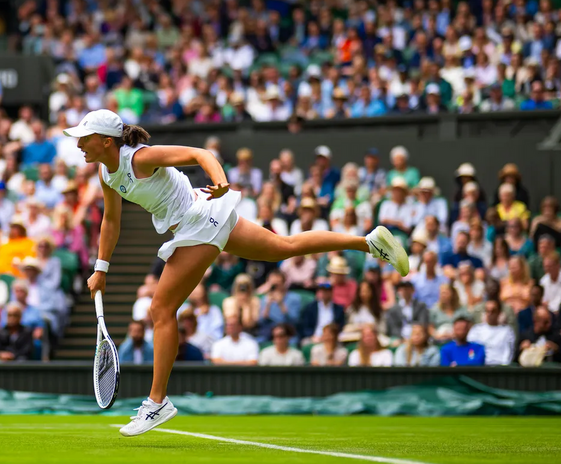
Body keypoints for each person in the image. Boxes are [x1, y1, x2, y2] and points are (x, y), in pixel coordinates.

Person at [66, 109, 408, 436]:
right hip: (204, 218)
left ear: (107, 141)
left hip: (199, 221)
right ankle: (367, 243)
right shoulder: (104, 172)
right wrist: (101, 268)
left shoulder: (140, 158)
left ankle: (157, 403)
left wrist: (221, 182)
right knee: (282, 247)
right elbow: (111, 221)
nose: (79, 144)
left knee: (160, 310)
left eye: (85, 138)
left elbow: (200, 154)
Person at [467, 299, 515, 366]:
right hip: (479, 367)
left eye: (493, 311)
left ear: (499, 313)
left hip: (499, 368)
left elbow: (508, 353)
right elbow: (471, 350)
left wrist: (503, 368)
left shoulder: (507, 331)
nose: (490, 314)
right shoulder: (476, 330)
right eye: (487, 311)